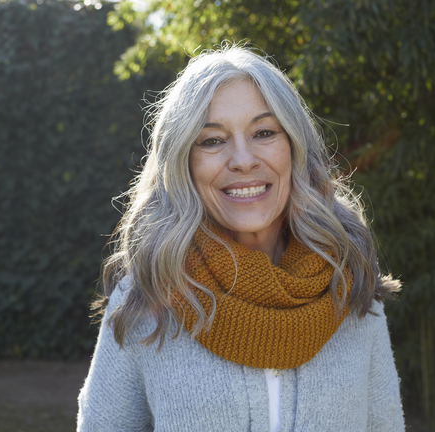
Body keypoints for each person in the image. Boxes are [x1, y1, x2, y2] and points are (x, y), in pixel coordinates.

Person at [77, 44, 405, 432]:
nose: (243, 159)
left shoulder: (348, 280)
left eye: (264, 132)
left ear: (294, 148)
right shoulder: (149, 292)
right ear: (185, 163)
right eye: (212, 140)